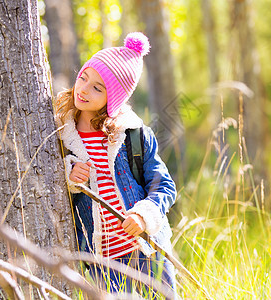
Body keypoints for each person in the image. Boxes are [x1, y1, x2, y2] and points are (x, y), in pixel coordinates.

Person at [55, 32, 177, 297]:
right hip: (101, 264)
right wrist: (69, 175)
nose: (84, 89)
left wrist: (143, 216)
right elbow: (48, 180)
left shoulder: (133, 134)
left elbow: (165, 186)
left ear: (114, 98)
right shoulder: (61, 134)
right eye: (83, 77)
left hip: (146, 252)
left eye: (98, 87)